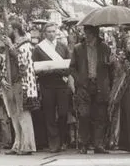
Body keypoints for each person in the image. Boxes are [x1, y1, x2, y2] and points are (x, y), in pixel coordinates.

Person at [70, 25, 114, 154]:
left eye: (89, 33)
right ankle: (83, 143)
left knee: (100, 115)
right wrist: (79, 81)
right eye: (85, 33)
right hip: (84, 85)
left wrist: (111, 64)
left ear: (95, 34)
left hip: (100, 85)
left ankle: (98, 144)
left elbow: (110, 69)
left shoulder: (104, 48)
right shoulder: (78, 49)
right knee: (84, 115)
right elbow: (72, 68)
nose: (86, 36)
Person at [33, 23, 71, 153]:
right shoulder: (38, 49)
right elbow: (36, 69)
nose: (51, 34)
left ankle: (62, 139)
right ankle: (53, 143)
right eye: (48, 31)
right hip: (47, 85)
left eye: (53, 31)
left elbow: (68, 66)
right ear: (44, 33)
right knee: (49, 114)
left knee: (63, 113)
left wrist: (55, 70)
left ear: (56, 33)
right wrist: (53, 70)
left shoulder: (63, 47)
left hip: (61, 85)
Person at [7, 22, 38, 155]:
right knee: (14, 115)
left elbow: (23, 63)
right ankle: (18, 143)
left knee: (23, 114)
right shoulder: (15, 45)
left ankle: (28, 145)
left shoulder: (26, 45)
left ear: (14, 30)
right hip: (12, 83)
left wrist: (10, 47)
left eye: (8, 28)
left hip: (23, 83)